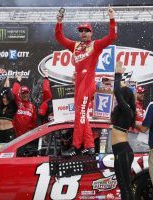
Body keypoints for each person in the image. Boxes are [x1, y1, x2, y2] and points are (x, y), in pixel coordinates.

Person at [55, 6, 117, 156]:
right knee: (82, 115)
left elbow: (112, 37)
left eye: (86, 30)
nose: (83, 33)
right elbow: (59, 37)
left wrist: (112, 18)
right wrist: (59, 22)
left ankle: (75, 146)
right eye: (81, 31)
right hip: (78, 82)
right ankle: (89, 145)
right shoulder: (75, 46)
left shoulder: (95, 45)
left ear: (91, 33)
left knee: (80, 115)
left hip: (88, 82)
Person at [111, 61, 136, 200]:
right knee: (123, 186)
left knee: (126, 187)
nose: (117, 99)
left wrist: (118, 74)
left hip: (123, 151)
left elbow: (116, 91)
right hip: (120, 151)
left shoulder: (127, 111)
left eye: (120, 96)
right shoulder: (123, 111)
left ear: (123, 97)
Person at [0, 77, 17, 143]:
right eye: (3, 98)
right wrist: (3, 88)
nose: (5, 99)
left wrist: (8, 88)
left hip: (8, 132)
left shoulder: (13, 107)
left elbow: (12, 98)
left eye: (7, 98)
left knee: (8, 151)